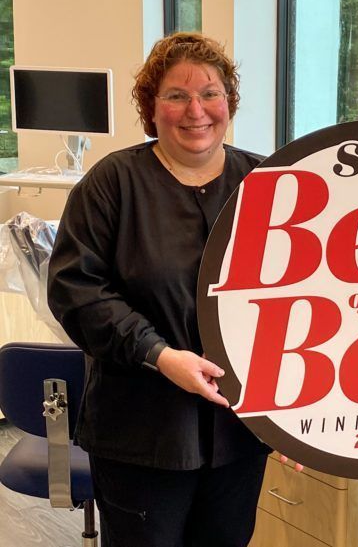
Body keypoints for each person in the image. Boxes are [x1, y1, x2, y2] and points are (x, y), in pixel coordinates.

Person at [48, 32, 271, 547]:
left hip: (239, 434)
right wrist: (159, 354)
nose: (196, 110)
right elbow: (76, 291)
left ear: (229, 103)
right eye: (176, 95)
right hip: (141, 436)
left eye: (210, 93)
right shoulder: (112, 184)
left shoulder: (266, 181)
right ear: (151, 107)